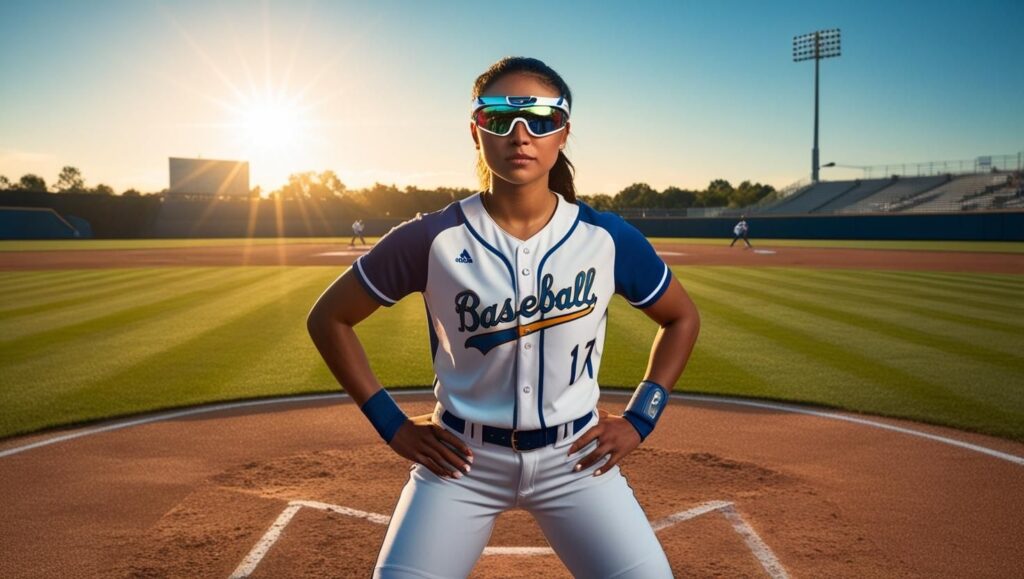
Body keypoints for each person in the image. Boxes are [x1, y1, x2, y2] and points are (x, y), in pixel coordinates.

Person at [307, 56, 701, 578]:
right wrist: (392, 426)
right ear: (477, 131)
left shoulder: (606, 239)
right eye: (500, 118)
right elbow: (329, 318)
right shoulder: (431, 238)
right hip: (461, 463)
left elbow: (681, 318)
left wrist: (640, 418)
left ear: (563, 132)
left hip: (576, 461)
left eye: (541, 119)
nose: (521, 134)